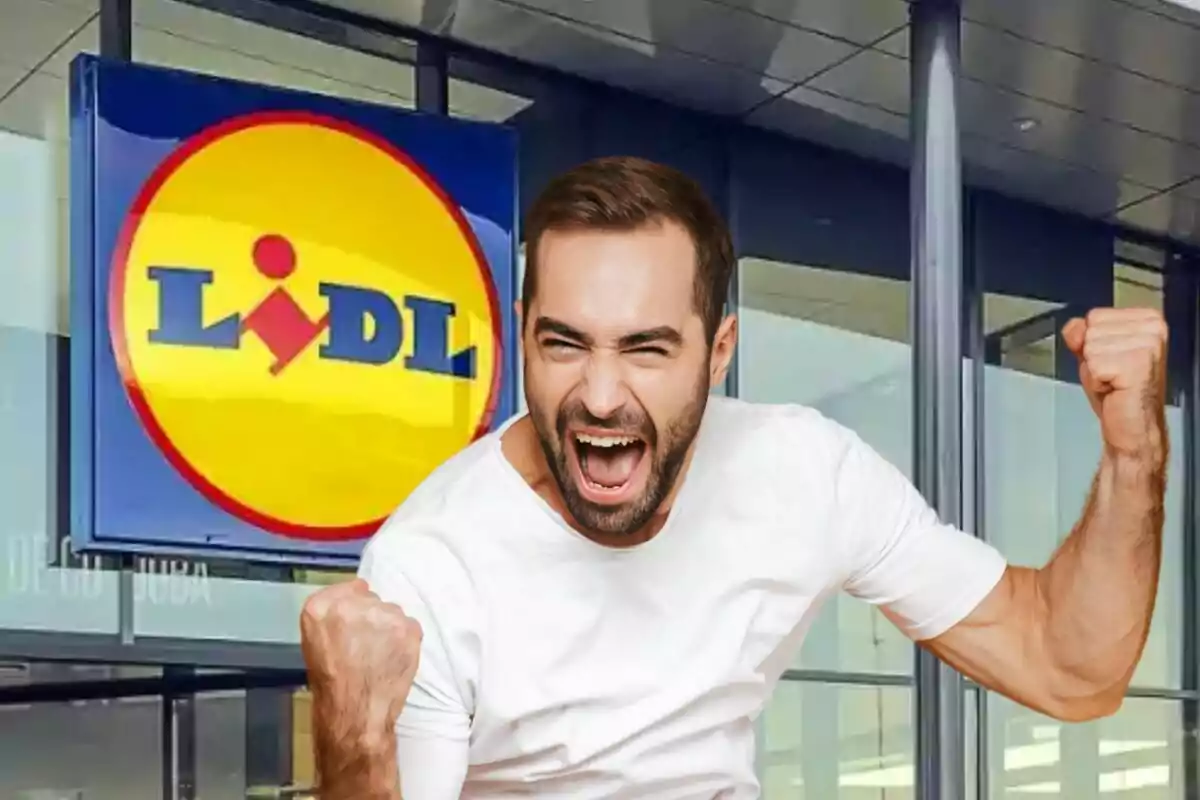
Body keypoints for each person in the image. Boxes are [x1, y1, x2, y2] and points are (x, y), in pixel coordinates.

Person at [299, 156, 1169, 799]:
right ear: (522, 333)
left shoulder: (802, 472)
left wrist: (1135, 455)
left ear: (718, 353)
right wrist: (354, 737)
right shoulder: (432, 567)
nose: (600, 396)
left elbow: (1069, 667)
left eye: (645, 349)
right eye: (564, 344)